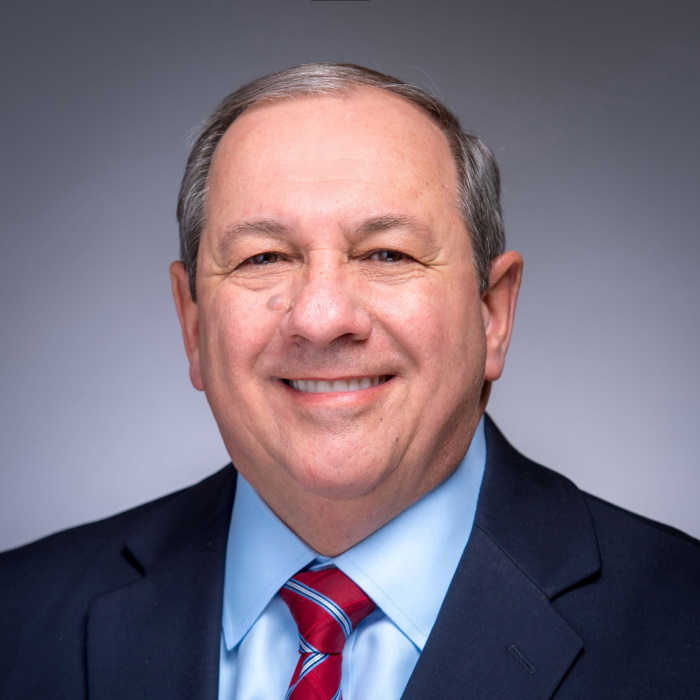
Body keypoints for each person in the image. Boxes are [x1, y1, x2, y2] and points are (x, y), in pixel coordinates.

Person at [1, 63, 698, 700]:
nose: (322, 317)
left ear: (492, 313)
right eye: (264, 257)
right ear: (193, 325)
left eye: (386, 253)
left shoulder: (680, 624)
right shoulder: (19, 618)